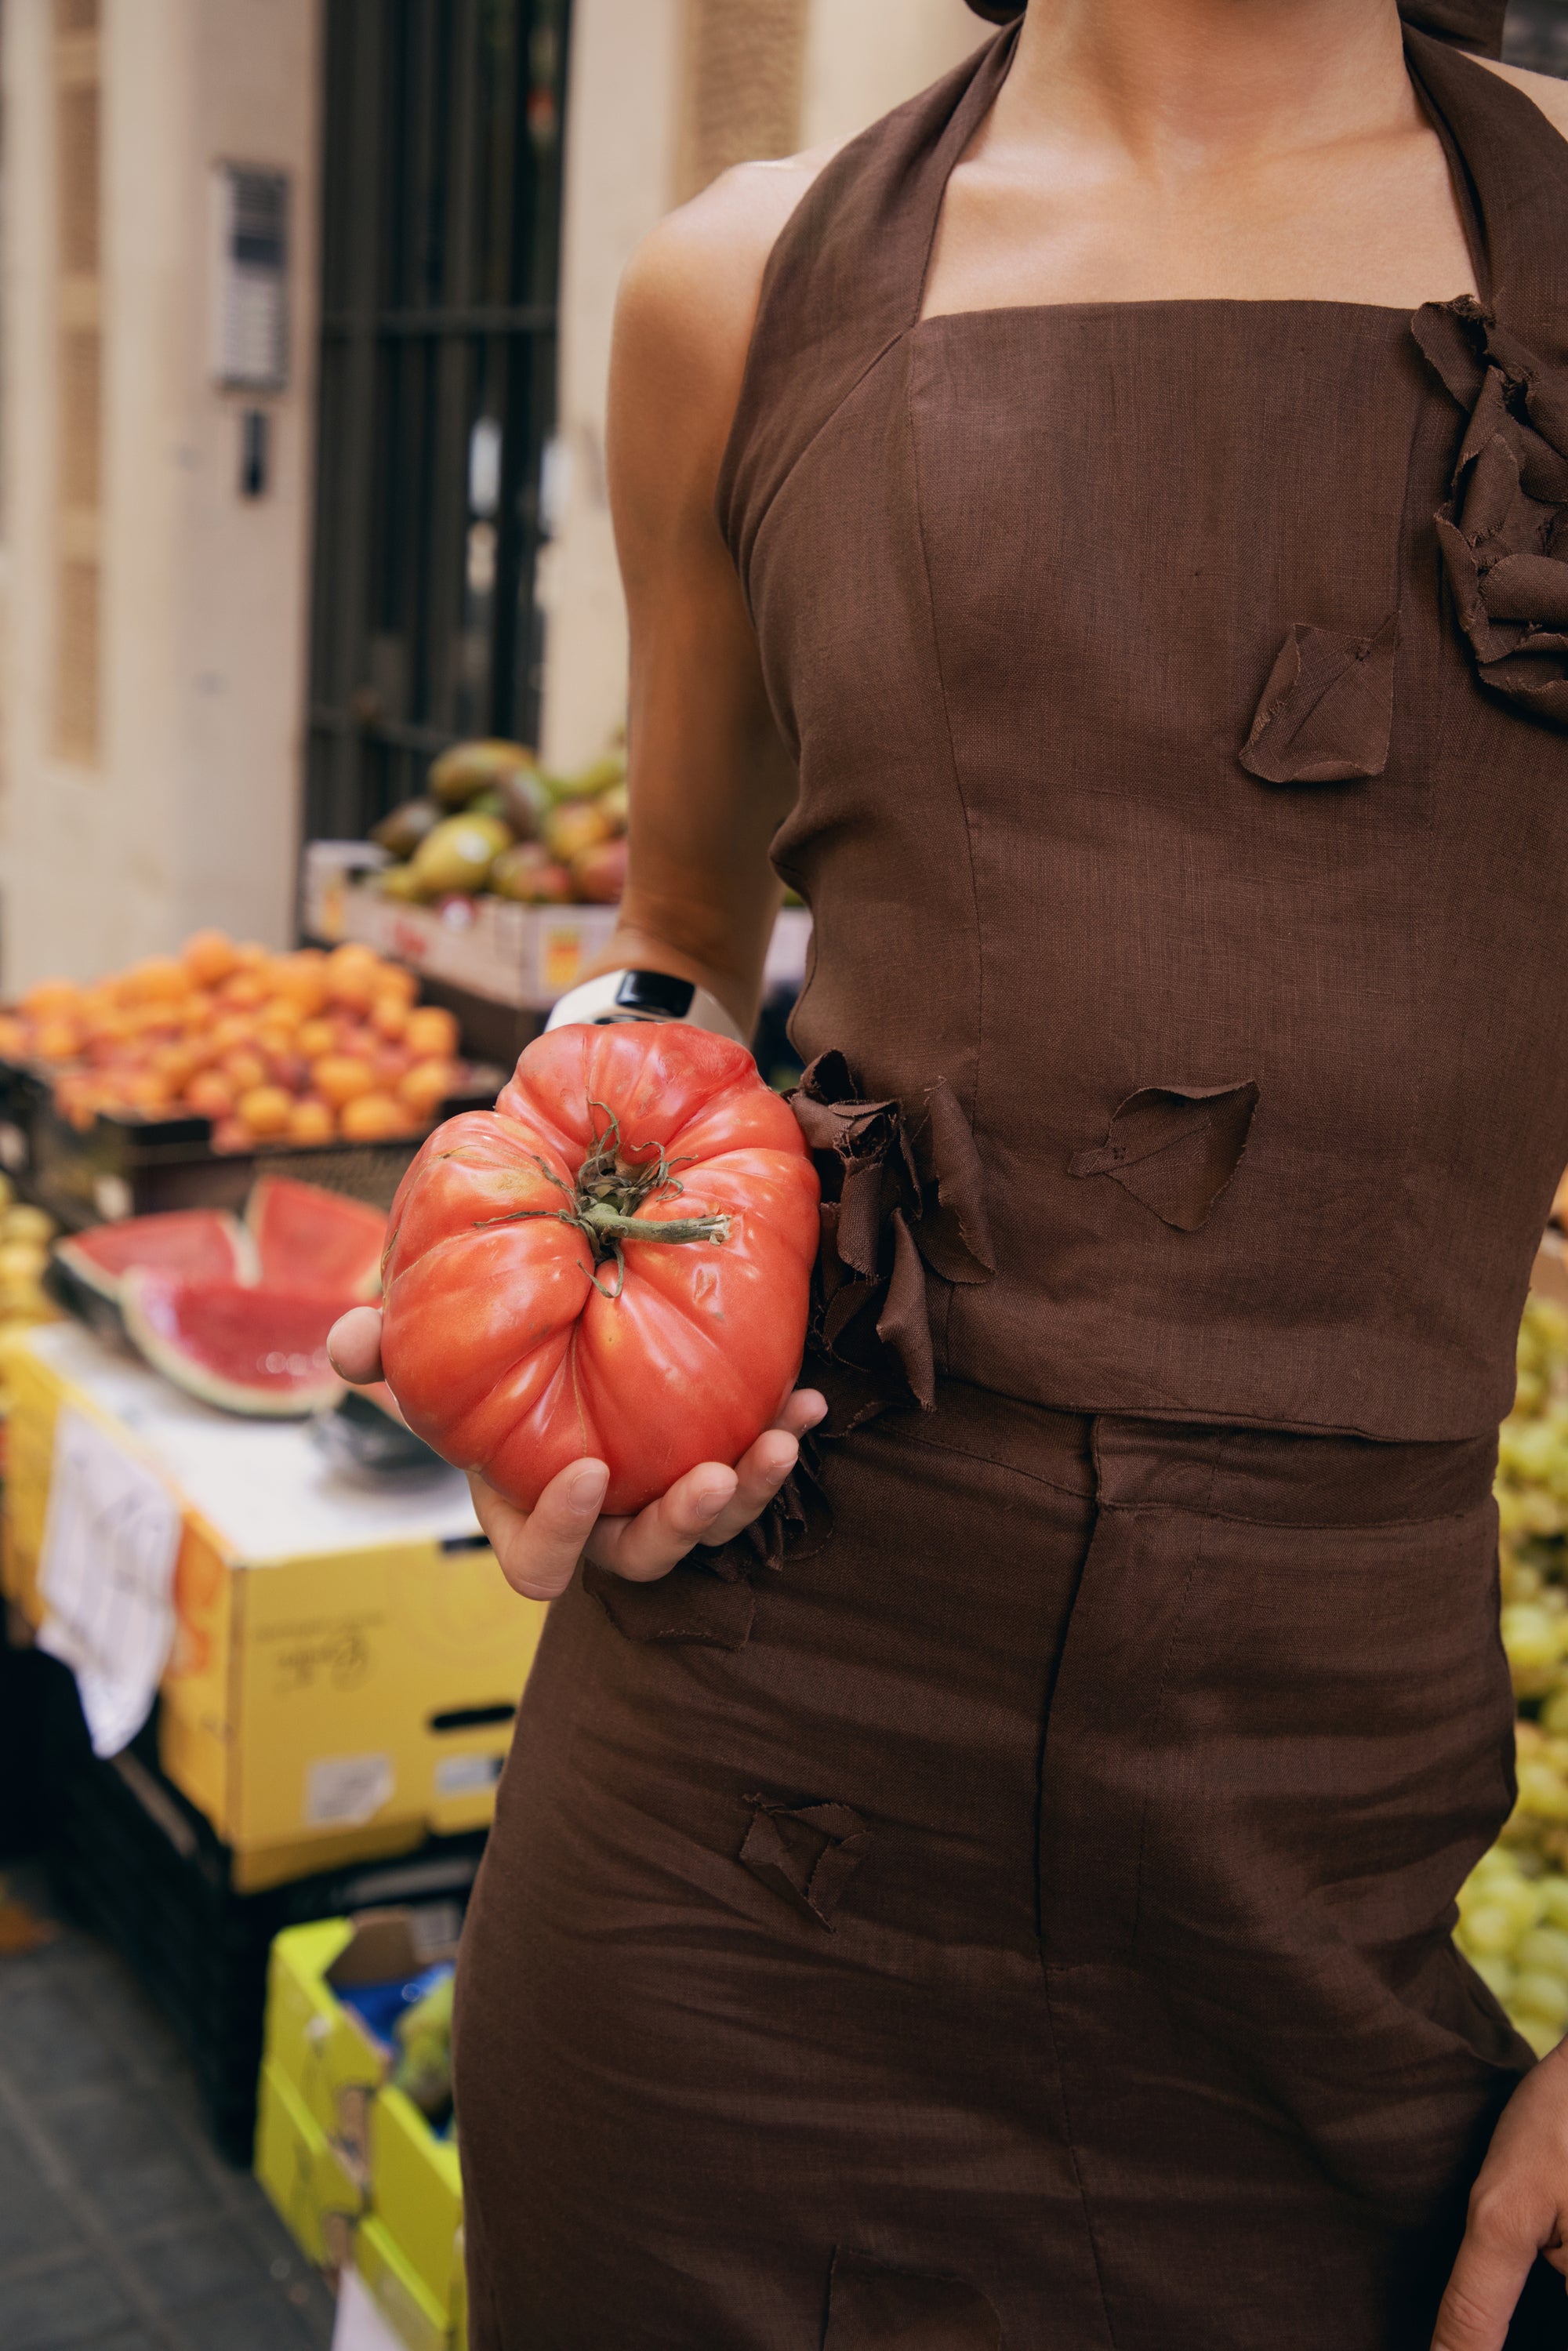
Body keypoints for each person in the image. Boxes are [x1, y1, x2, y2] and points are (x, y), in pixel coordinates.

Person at [329, 0, 1568, 2339]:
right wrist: (545, 1317)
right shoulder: (739, 283)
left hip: (1322, 1873)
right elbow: (677, 945)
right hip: (732, 1844)